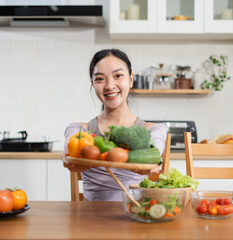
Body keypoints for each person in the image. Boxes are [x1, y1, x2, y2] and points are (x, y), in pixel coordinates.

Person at [62, 49, 168, 201]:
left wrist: (150, 162)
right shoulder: (80, 130)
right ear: (92, 83)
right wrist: (69, 156)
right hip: (89, 219)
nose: (109, 86)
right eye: (100, 79)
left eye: (118, 76)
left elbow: (155, 151)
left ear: (131, 80)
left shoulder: (153, 129)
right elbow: (70, 146)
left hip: (135, 216)